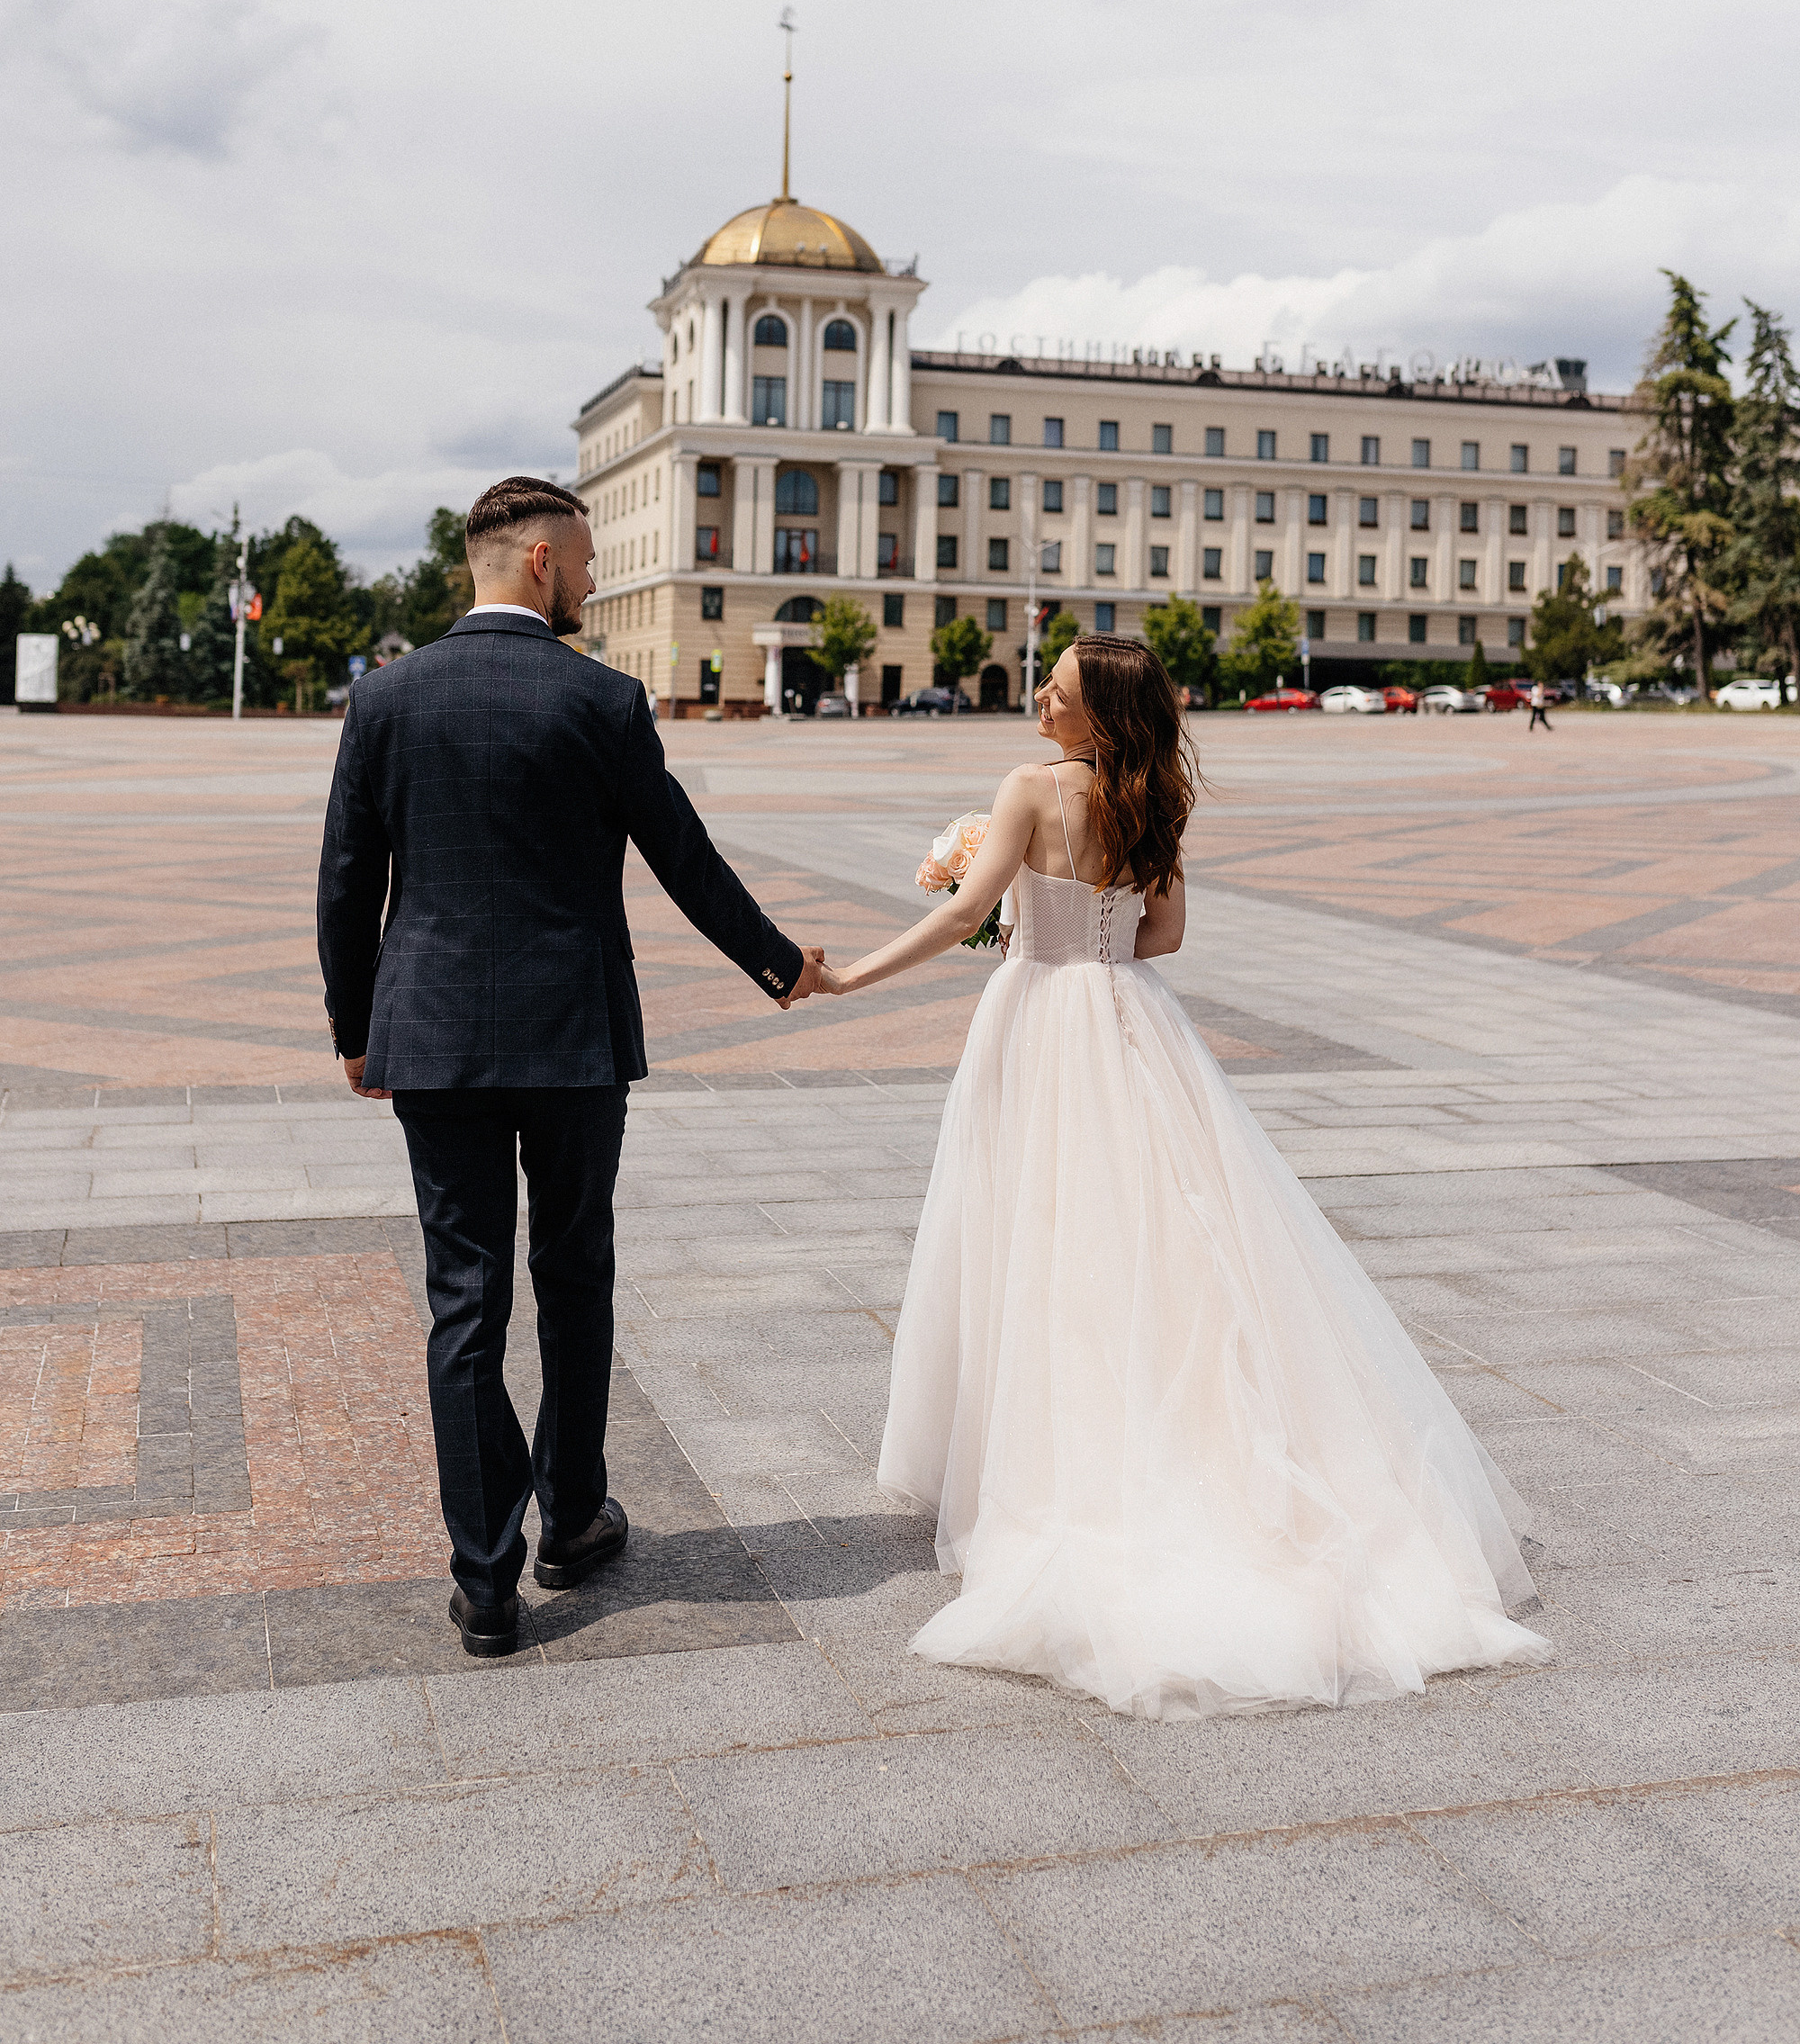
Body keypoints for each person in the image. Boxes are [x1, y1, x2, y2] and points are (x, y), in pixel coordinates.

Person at [820, 635, 1550, 1720]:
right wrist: (1086, 921)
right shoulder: (1151, 798)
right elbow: (1160, 935)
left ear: (1093, 712)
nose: (1039, 697)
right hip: (1130, 1022)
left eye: (1055, 688)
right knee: (1165, 1231)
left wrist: (850, 975)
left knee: (1033, 1229)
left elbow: (963, 913)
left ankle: (1044, 1454)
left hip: (1035, 1017)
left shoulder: (1025, 789)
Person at [317, 475, 825, 1660]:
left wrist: (356, 1029)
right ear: (539, 560)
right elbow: (683, 857)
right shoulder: (602, 699)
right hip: (573, 1038)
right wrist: (777, 964)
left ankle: (485, 1579)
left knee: (465, 1299)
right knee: (575, 1273)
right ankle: (573, 1518)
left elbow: (347, 883)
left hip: (432, 1034)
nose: (596, 579)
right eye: (588, 560)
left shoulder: (384, 699)